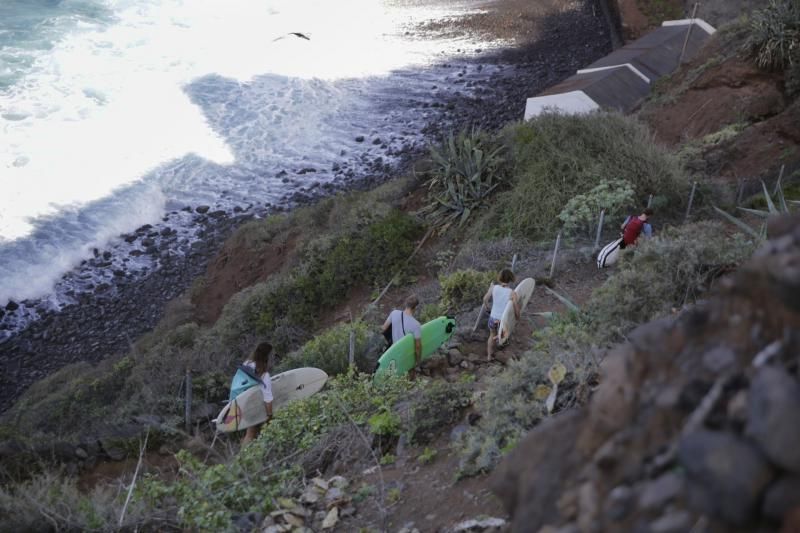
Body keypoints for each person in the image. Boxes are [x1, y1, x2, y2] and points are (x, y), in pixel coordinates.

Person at [482, 269, 519, 361]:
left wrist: (487, 308)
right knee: (504, 337)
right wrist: (517, 317)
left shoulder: (493, 288)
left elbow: (485, 299)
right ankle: (502, 354)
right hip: (503, 320)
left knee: (492, 335)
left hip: (493, 317)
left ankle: (489, 356)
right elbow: (515, 308)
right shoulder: (512, 293)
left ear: (500, 277)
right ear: (510, 279)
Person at [241, 342, 274, 446]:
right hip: (254, 405)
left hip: (243, 401)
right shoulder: (264, 375)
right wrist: (269, 416)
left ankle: (244, 455)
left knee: (250, 432)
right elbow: (268, 399)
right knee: (252, 432)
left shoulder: (247, 364)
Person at [381, 294, 423, 368]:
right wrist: (418, 361)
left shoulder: (394, 313)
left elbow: (384, 328)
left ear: (406, 304)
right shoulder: (416, 325)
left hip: (393, 350)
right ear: (415, 308)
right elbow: (418, 346)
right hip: (405, 354)